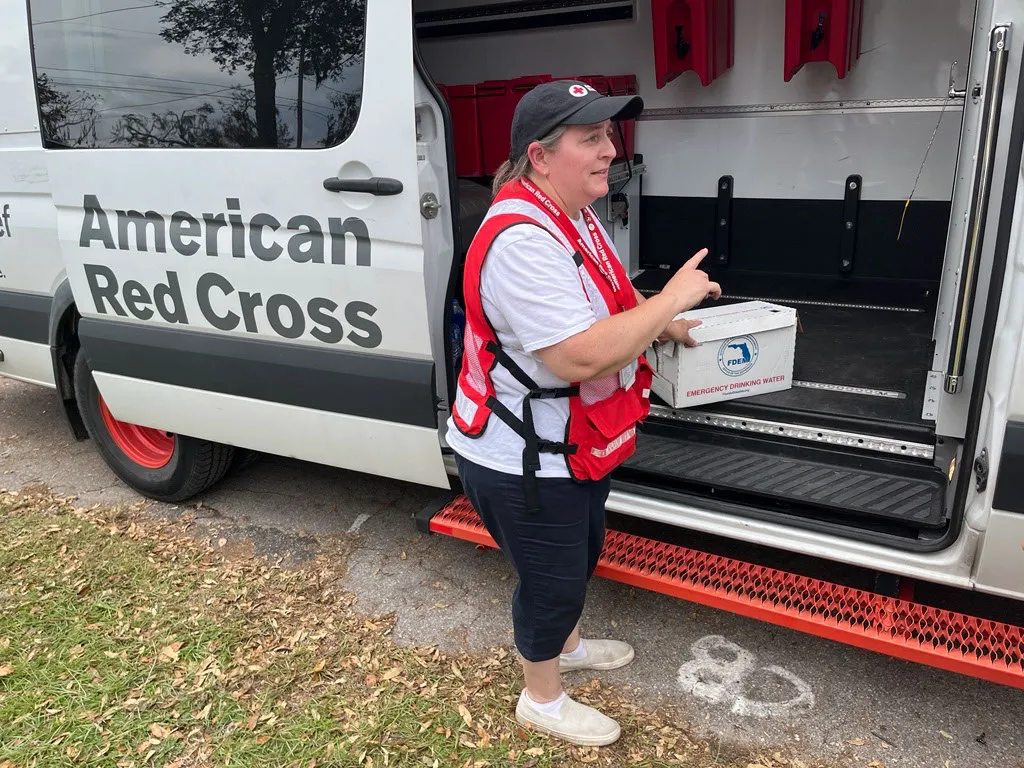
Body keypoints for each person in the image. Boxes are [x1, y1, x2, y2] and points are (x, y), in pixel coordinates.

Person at [445, 79, 721, 747]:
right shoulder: (520, 240)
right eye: (590, 138)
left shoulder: (570, 212)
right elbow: (575, 356)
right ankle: (541, 699)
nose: (609, 151)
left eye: (609, 135)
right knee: (551, 580)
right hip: (521, 458)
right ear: (540, 156)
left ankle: (565, 645)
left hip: (570, 444)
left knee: (582, 550)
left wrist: (665, 322)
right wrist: (671, 299)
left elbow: (611, 296)